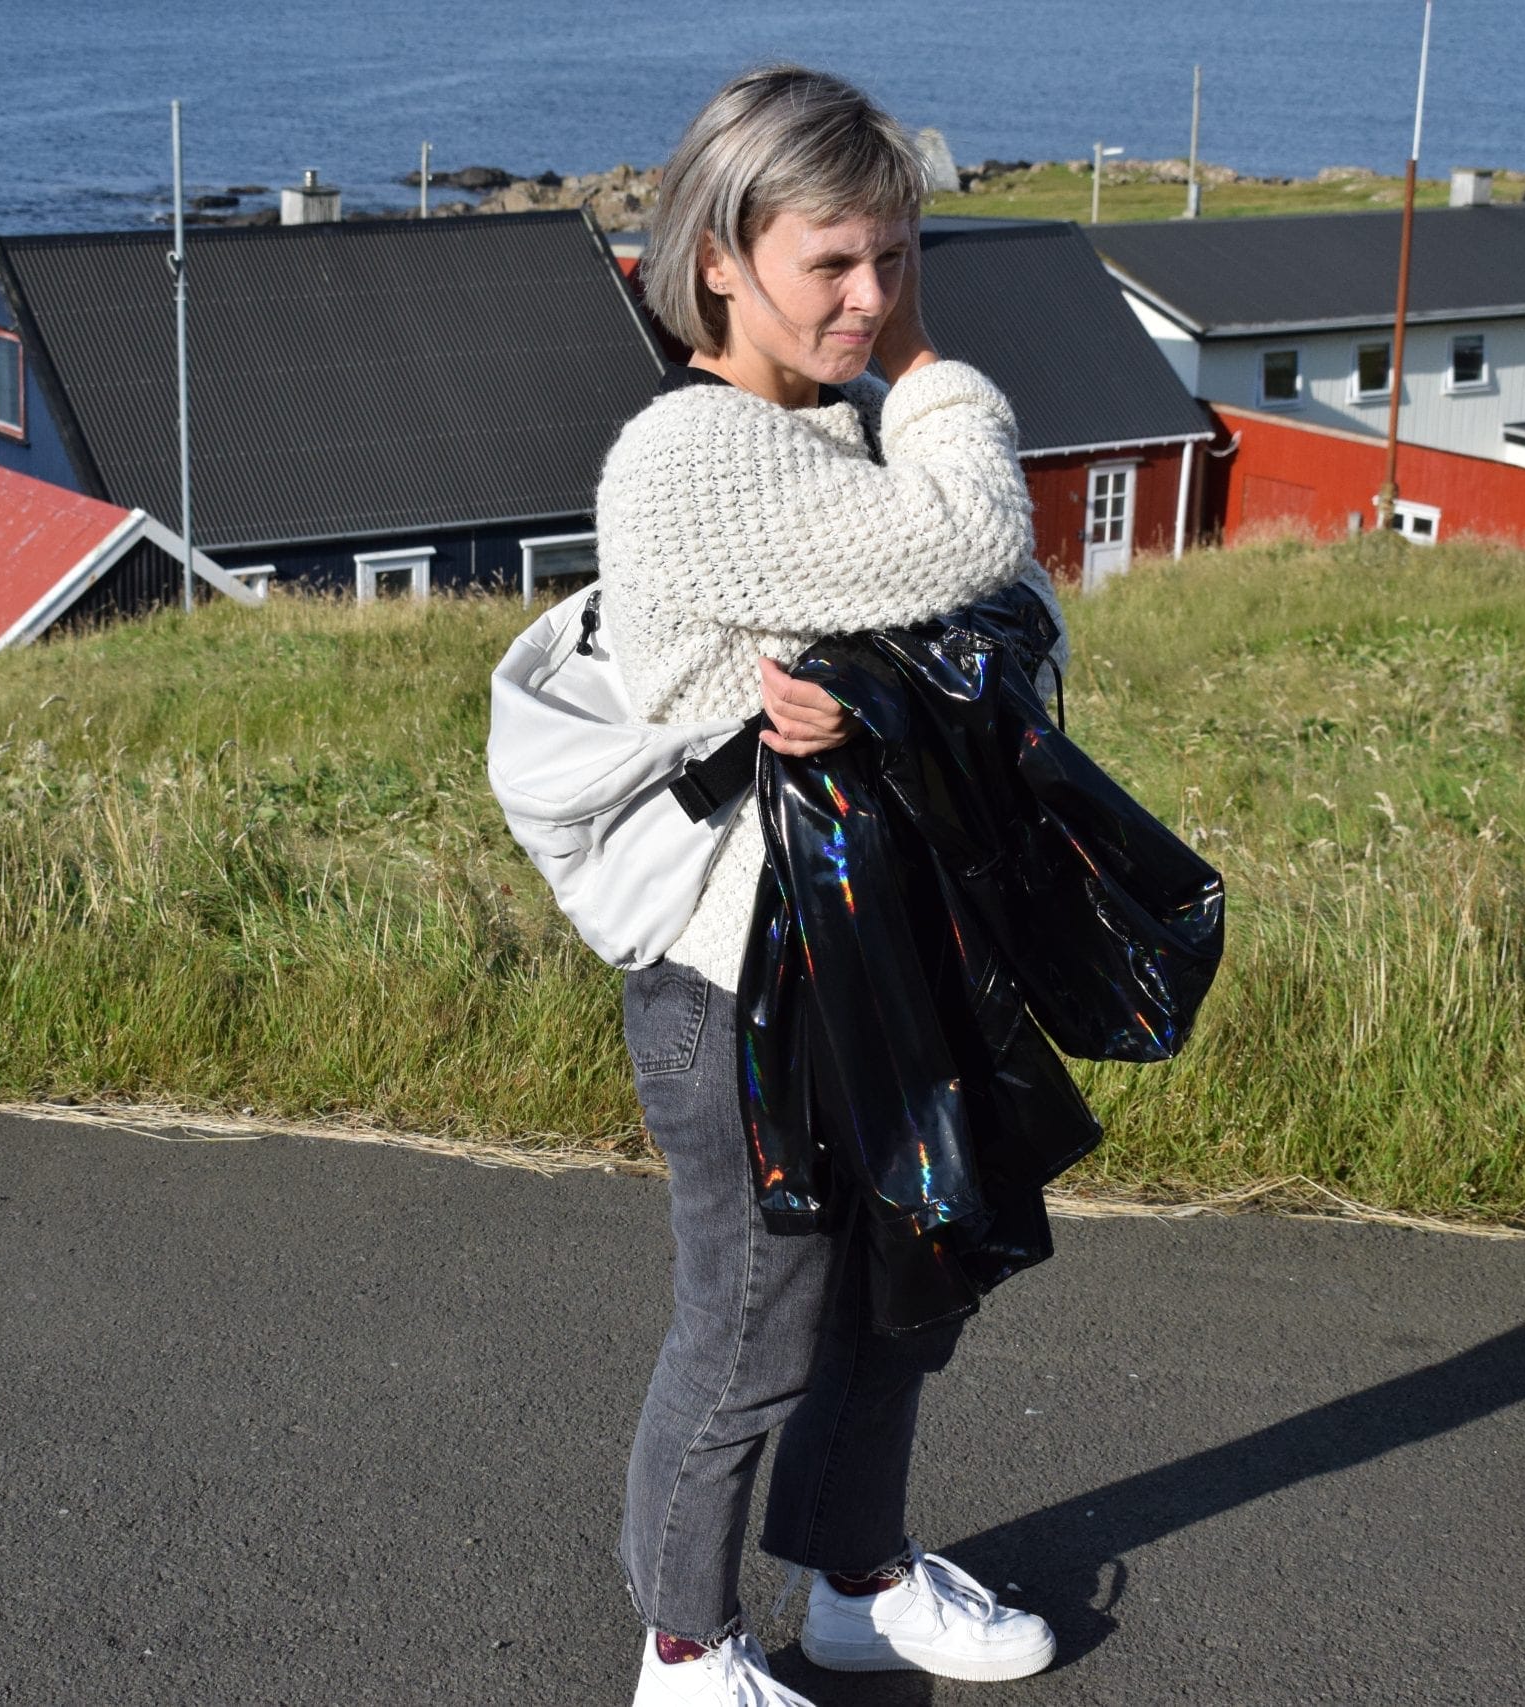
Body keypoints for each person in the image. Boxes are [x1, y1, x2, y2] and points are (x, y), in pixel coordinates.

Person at [595, 64, 1064, 1705]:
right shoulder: (694, 451)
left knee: (901, 1285)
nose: (870, 298)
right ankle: (684, 1648)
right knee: (756, 1321)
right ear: (719, 260)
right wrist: (931, 363)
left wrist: (879, 681)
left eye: (897, 259)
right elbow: (976, 543)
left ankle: (855, 1577)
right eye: (836, 263)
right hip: (740, 981)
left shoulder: (828, 426)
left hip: (876, 946)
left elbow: (1020, 629)